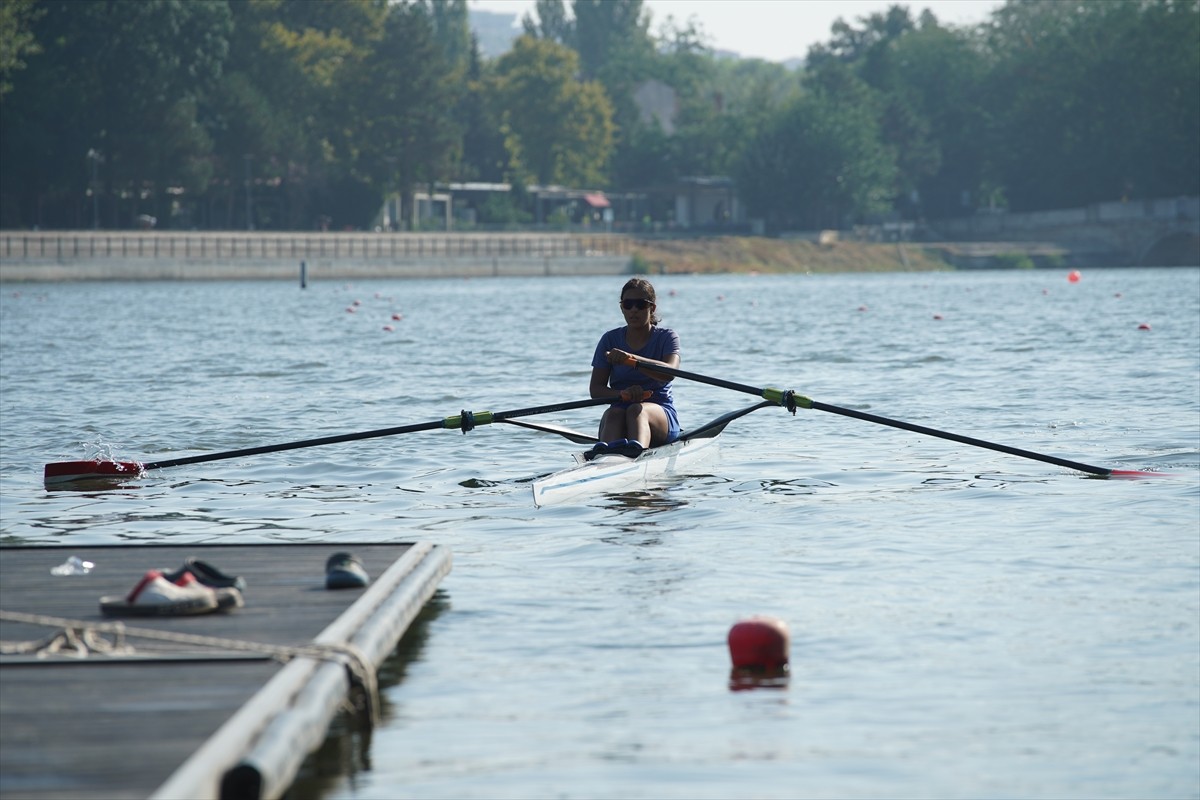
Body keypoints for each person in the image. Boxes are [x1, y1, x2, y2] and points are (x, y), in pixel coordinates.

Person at [589, 277, 681, 456]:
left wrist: (631, 359)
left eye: (640, 304)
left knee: (636, 410)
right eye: (628, 304)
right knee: (613, 414)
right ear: (621, 307)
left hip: (660, 413)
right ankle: (604, 460)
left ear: (652, 308)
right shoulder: (609, 339)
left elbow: (670, 372)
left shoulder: (668, 337)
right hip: (619, 411)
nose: (633, 310)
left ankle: (637, 454)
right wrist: (622, 394)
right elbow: (596, 390)